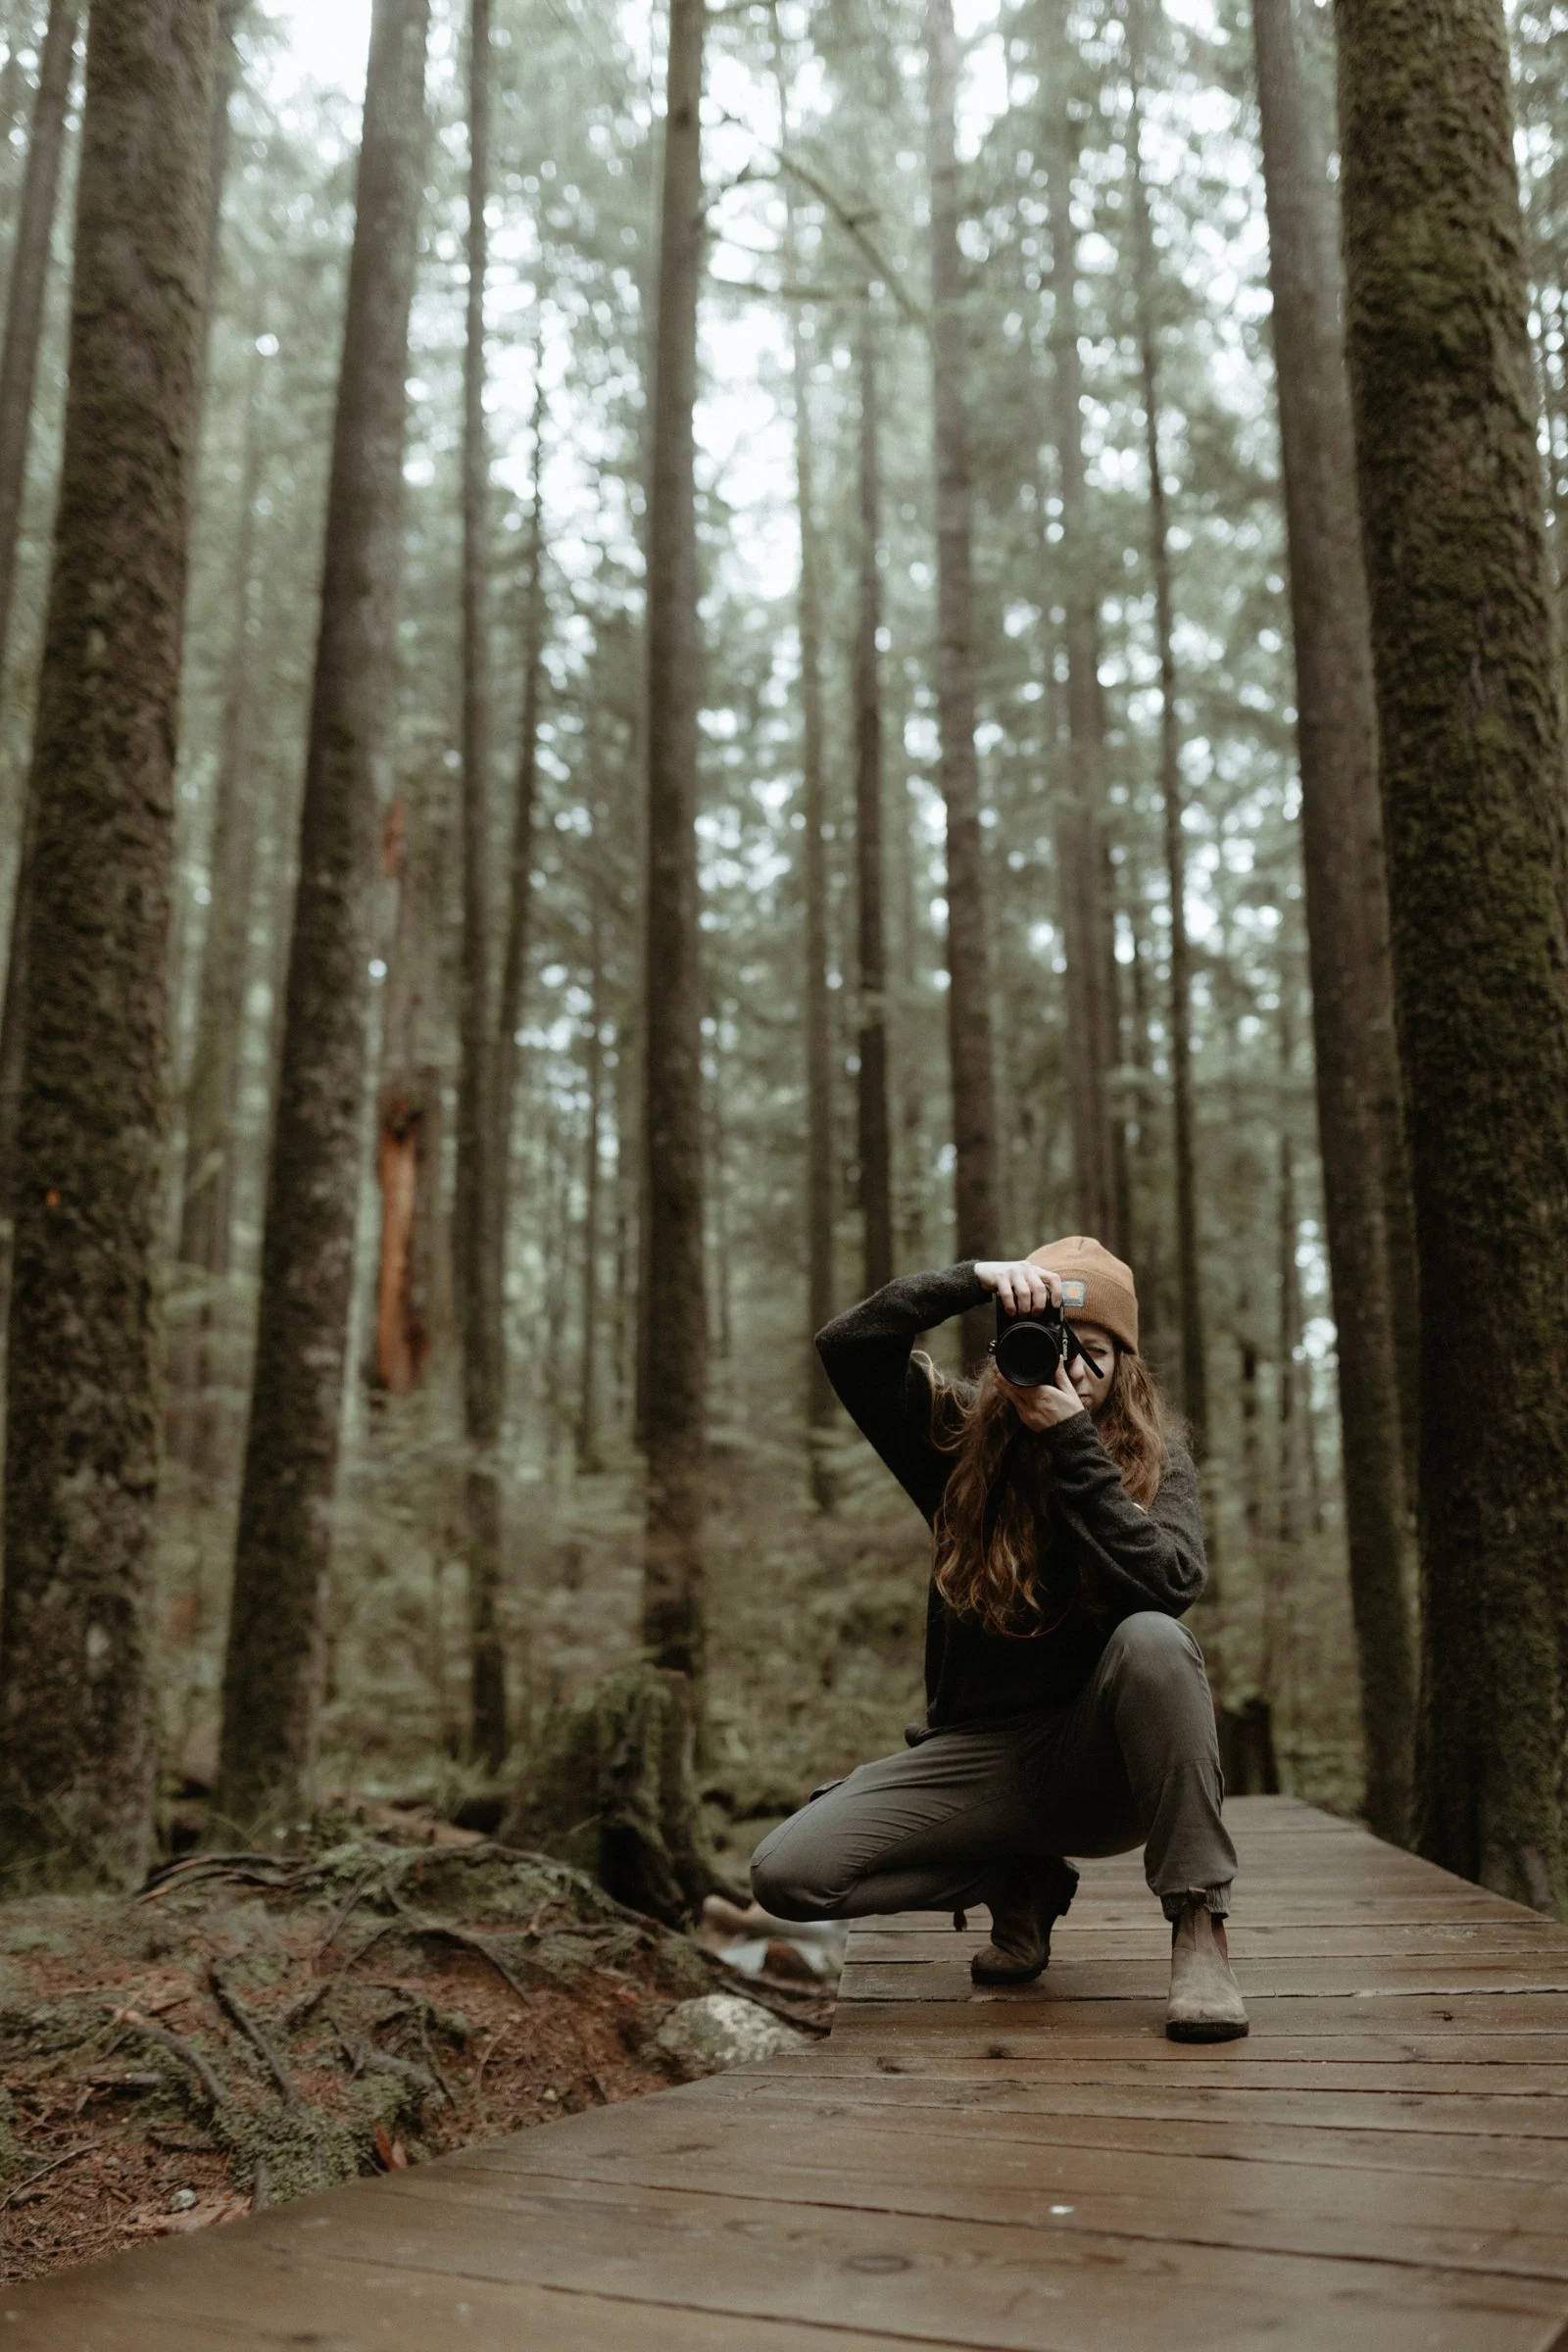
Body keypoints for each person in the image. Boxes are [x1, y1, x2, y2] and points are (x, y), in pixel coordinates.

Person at [750, 1239, 1248, 2042]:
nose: (1072, 1373)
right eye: (1052, 1347)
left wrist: (1072, 1446)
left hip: (1101, 1765)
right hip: (977, 1761)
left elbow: (1169, 1585)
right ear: (1008, 1348)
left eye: (1093, 1355)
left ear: (1126, 1366)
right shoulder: (951, 1441)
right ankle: (1014, 1877)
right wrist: (971, 1280)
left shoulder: (1157, 1459)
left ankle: (1198, 1927)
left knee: (1155, 1640)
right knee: (787, 1876)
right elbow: (848, 1346)